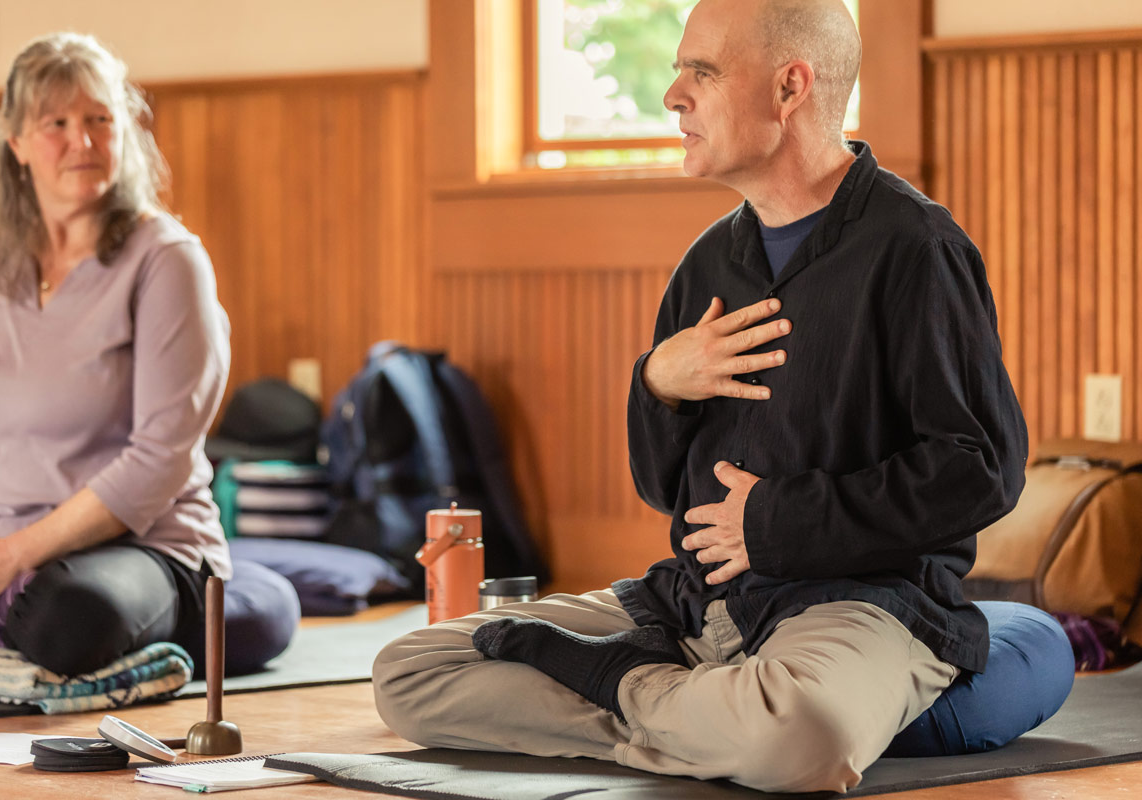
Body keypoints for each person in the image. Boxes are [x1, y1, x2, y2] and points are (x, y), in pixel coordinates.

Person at [373, 0, 1028, 793]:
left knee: (797, 736)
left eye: (702, 72)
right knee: (412, 668)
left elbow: (981, 469)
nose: (672, 94)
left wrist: (775, 522)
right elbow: (662, 488)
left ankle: (621, 688)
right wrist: (658, 384)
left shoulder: (916, 248)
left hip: (860, 602)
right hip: (696, 606)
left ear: (790, 88)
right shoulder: (711, 261)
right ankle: (677, 709)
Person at [0, 32, 232, 678]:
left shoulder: (167, 259)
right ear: (16, 143)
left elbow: (159, 459)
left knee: (64, 617)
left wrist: (12, 556)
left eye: (102, 118)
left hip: (141, 550)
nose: (85, 140)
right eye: (58, 123)